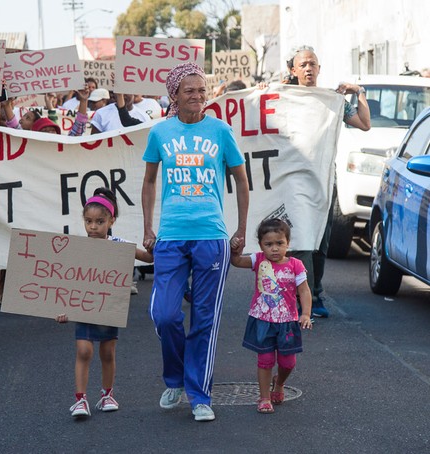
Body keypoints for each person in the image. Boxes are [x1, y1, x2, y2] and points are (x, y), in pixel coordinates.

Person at [141, 62, 250, 422]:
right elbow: (149, 181)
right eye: (189, 90)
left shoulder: (220, 131)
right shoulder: (160, 133)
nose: (198, 96)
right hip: (171, 236)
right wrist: (147, 227)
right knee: (165, 314)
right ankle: (174, 379)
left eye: (202, 90)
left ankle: (200, 395)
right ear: (174, 95)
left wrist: (241, 229)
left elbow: (241, 180)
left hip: (212, 236)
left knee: (205, 318)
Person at [287, 46, 370, 319]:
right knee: (299, 240)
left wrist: (359, 92)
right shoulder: (283, 97)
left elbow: (364, 124)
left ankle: (316, 291)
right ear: (294, 70)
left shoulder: (332, 101)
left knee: (321, 242)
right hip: (292, 181)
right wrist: (263, 89)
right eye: (303, 64)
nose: (309, 68)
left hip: (323, 181)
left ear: (319, 69)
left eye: (313, 63)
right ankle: (302, 295)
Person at [55, 188, 154, 418]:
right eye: (88, 221)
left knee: (108, 352)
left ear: (111, 221)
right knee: (84, 350)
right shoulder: (77, 248)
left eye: (99, 221)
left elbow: (149, 258)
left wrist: (153, 245)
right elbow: (65, 280)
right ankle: (80, 400)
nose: (93, 227)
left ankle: (107, 395)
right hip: (83, 308)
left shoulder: (119, 245)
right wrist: (60, 307)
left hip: (107, 309)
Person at [230, 218, 313, 414]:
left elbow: (304, 291)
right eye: (268, 244)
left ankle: (279, 383)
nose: (274, 249)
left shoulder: (296, 265)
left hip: (288, 322)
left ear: (287, 243)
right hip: (262, 321)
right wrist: (235, 249)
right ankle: (264, 397)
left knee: (288, 362)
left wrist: (306, 314)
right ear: (260, 245)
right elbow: (236, 261)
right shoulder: (258, 260)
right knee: (265, 360)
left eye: (279, 243)